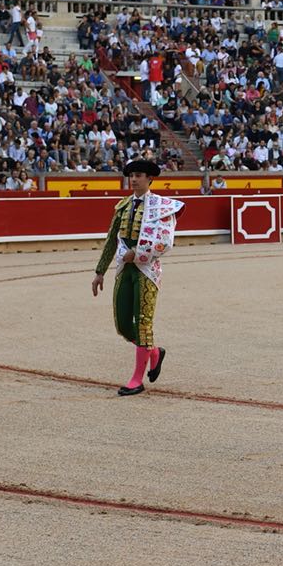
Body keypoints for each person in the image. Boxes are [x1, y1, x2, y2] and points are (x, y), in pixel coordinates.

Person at [91, 159, 185, 396]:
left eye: (139, 175)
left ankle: (136, 379)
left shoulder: (162, 206)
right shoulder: (122, 206)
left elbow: (165, 241)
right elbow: (112, 239)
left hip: (147, 271)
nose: (133, 179)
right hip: (125, 269)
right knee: (123, 325)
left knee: (143, 323)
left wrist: (139, 253)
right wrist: (100, 271)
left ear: (149, 178)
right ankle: (154, 352)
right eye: (131, 175)